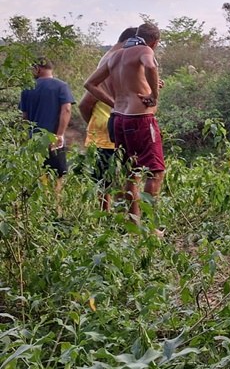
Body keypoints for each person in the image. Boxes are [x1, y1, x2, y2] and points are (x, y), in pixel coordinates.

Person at [83, 22, 165, 229]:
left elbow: (89, 84)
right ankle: (150, 228)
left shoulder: (115, 56)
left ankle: (133, 224)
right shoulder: (145, 50)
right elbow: (151, 66)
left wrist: (115, 103)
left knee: (131, 172)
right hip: (140, 119)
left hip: (118, 119)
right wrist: (153, 95)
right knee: (155, 172)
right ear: (155, 42)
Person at [79, 27, 137, 210]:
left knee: (115, 180)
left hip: (114, 129)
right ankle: (115, 217)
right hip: (109, 130)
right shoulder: (114, 60)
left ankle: (115, 216)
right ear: (130, 41)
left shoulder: (115, 60)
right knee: (114, 180)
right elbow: (85, 103)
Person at [19, 57, 76, 196]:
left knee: (37, 175)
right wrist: (60, 134)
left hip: (33, 141)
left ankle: (39, 204)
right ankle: (55, 206)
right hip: (53, 140)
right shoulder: (61, 86)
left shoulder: (27, 88)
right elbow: (67, 109)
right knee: (57, 177)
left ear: (38, 69)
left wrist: (25, 137)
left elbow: (24, 117)